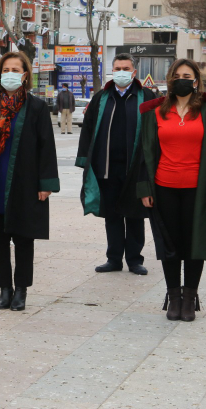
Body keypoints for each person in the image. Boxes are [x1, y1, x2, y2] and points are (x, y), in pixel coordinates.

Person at [136, 59, 206, 322]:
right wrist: (145, 187)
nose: (182, 79)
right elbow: (143, 154)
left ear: (196, 81)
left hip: (198, 190)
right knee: (169, 244)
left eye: (187, 75)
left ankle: (190, 298)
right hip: (163, 188)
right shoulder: (154, 113)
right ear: (169, 80)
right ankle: (173, 297)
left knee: (194, 244)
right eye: (176, 75)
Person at [0, 52, 59, 311]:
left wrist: (46, 183)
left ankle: (21, 290)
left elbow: (46, 147)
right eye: (5, 69)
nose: (8, 74)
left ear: (25, 75)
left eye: (14, 69)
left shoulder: (37, 108)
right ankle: (4, 289)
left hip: (25, 183)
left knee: (23, 239)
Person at [77, 53, 156, 275]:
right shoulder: (101, 98)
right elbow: (88, 130)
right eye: (117, 68)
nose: (121, 72)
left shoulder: (146, 96)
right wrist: (84, 161)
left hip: (135, 169)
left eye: (125, 68)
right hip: (107, 169)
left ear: (134, 71)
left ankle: (134, 259)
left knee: (134, 215)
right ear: (112, 70)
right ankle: (113, 259)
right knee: (112, 216)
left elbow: (154, 133)